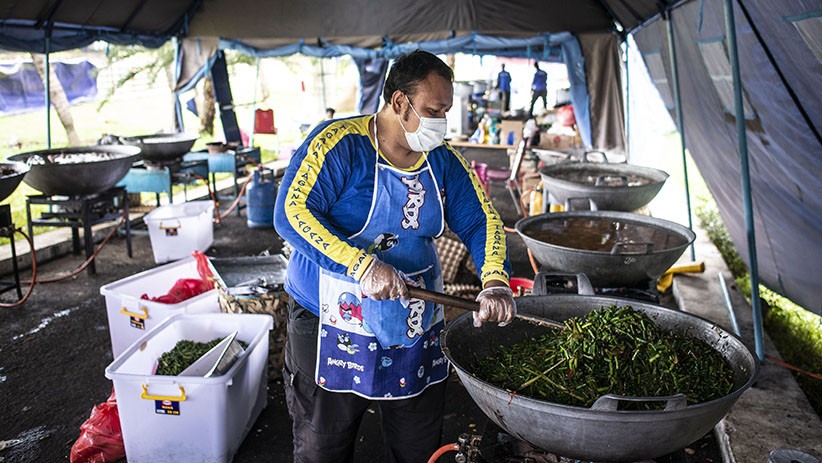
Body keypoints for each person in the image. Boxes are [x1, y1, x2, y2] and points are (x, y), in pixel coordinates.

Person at [274, 50, 516, 463]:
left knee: (417, 446)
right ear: (399, 102)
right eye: (432, 109)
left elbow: (483, 222)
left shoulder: (443, 161)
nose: (440, 121)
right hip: (330, 318)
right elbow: (291, 213)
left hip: (414, 320)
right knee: (323, 446)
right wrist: (362, 265)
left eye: (445, 111)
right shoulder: (339, 145)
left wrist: (495, 281)